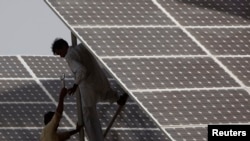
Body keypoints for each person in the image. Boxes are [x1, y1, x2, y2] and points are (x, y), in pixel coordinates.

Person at [51, 38, 128, 141]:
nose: (60, 56)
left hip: (88, 87)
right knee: (104, 94)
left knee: (88, 116)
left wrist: (75, 85)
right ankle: (118, 98)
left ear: (63, 47)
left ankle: (95, 139)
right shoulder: (81, 48)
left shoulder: (69, 56)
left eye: (59, 52)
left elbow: (81, 70)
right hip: (99, 80)